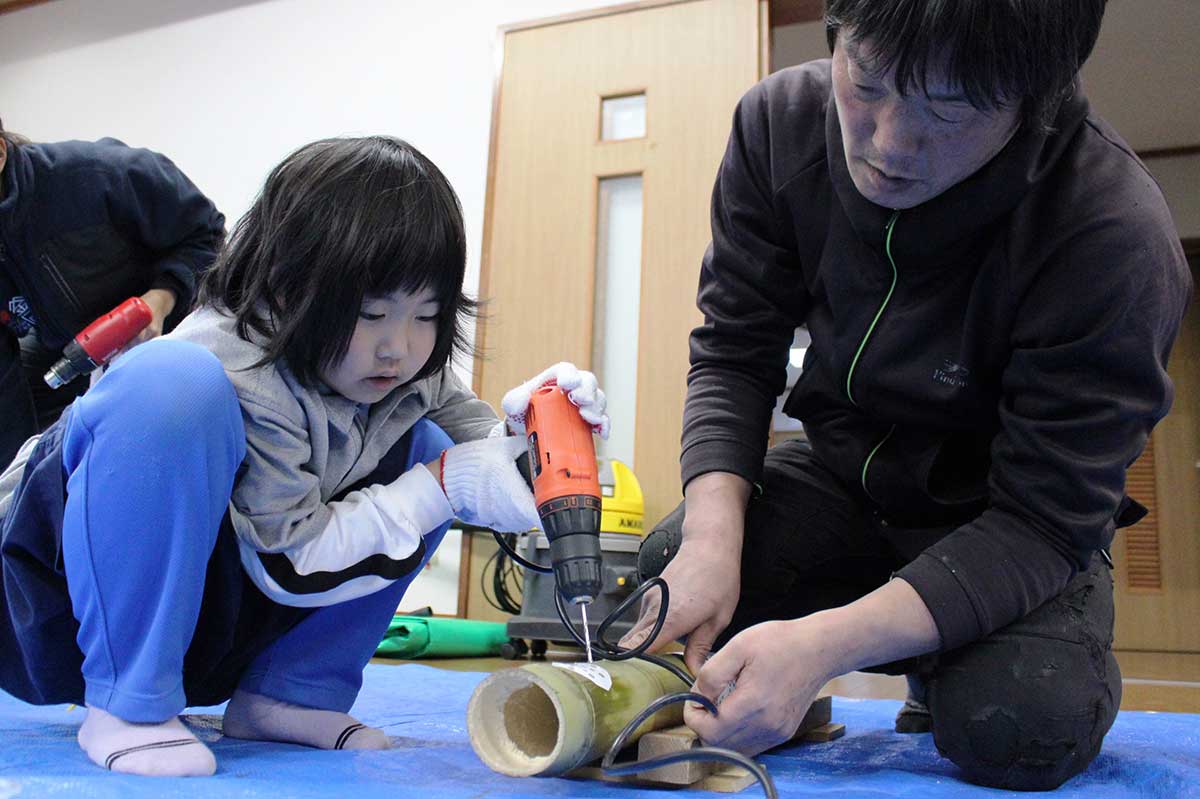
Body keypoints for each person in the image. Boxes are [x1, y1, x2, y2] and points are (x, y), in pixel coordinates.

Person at [622, 0, 1191, 790]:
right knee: (674, 569)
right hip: (846, 482)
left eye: (950, 110)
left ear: (1037, 98)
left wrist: (823, 644)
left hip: (1001, 521)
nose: (890, 144)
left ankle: (944, 660)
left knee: (1021, 726)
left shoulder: (1111, 233)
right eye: (868, 80)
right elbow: (734, 351)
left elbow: (1044, 518)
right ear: (836, 35)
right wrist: (713, 544)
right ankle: (808, 659)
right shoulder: (777, 126)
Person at [0, 136, 608, 777]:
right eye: (371, 313)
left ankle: (287, 696)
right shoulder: (237, 365)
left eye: (426, 314)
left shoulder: (403, 369)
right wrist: (443, 487)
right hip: (44, 608)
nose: (397, 348)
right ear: (289, 292)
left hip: (214, 620)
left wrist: (530, 438)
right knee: (167, 385)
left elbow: (476, 457)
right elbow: (292, 564)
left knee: (427, 444)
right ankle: (129, 704)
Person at [0, 117, 226, 468]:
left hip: (167, 329)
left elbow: (206, 234)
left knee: (152, 449)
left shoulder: (98, 175)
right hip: (68, 349)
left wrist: (160, 300)